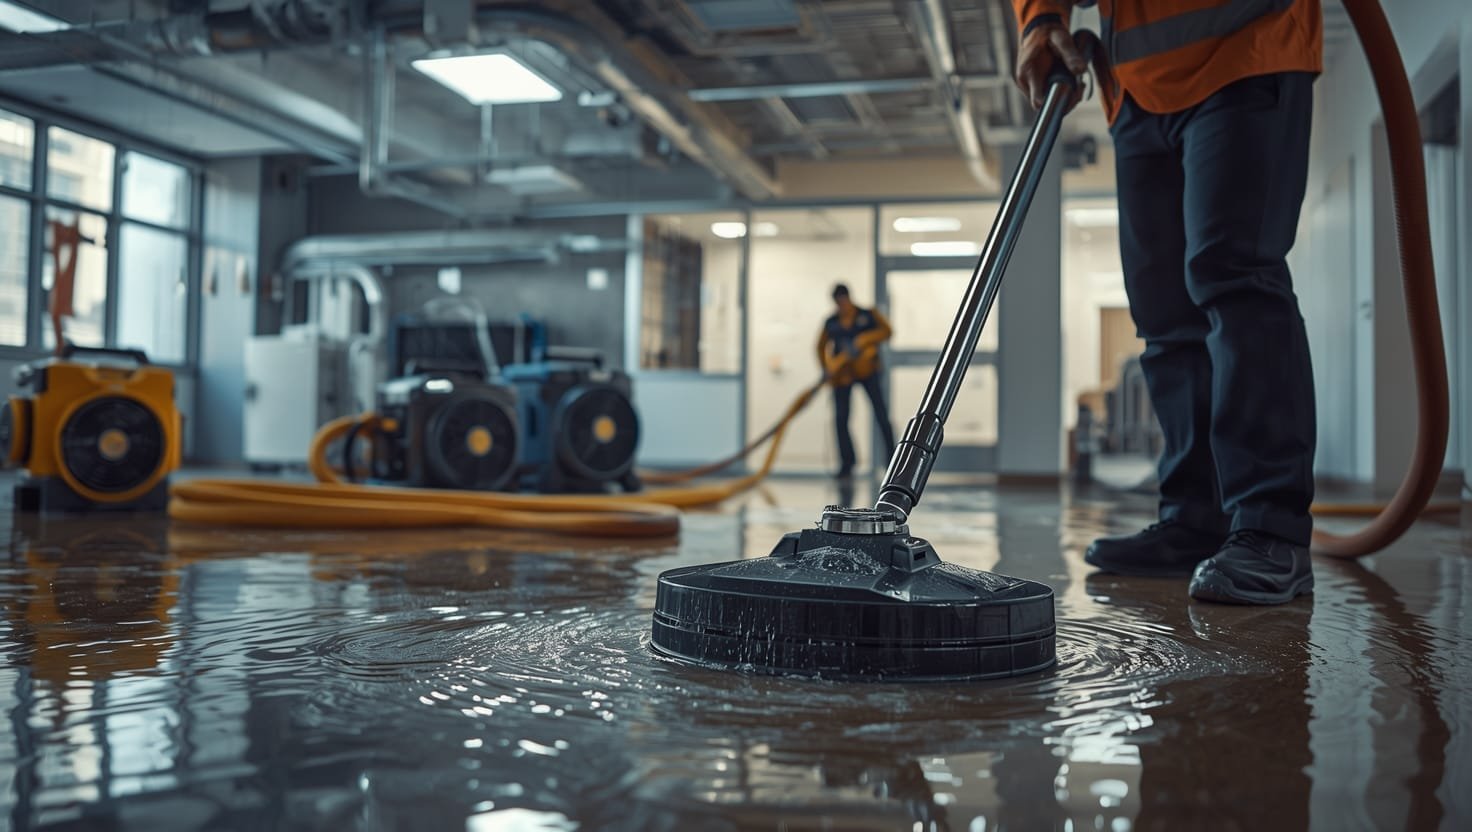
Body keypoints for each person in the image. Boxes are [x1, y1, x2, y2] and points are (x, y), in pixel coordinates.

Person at [1011, 0, 1322, 605]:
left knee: (1233, 278)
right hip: (1133, 93)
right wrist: (1039, 17)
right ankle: (1193, 519)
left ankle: (1270, 527)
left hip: (1245, 52)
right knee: (1163, 314)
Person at [817, 284, 898, 478]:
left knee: (882, 416)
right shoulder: (831, 322)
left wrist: (864, 339)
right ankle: (847, 464)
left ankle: (892, 462)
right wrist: (827, 368)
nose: (841, 306)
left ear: (849, 298)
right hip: (842, 376)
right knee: (841, 419)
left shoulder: (868, 315)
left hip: (867, 372)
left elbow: (887, 332)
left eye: (843, 301)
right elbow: (820, 346)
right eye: (838, 303)